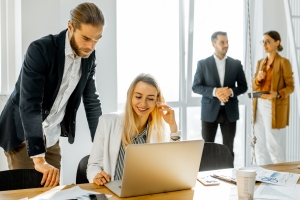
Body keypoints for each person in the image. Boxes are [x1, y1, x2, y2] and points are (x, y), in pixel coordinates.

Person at [0, 2, 104, 187]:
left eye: (97, 40)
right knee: (27, 193)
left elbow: (91, 101)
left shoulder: (89, 57)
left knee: (51, 193)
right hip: (23, 134)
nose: (91, 46)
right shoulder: (40, 50)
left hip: (52, 135)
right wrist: (39, 160)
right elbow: (30, 104)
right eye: (86, 38)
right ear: (70, 26)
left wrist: (101, 149)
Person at [87, 73, 181, 185]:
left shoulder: (159, 130)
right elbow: (93, 166)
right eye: (138, 96)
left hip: (146, 193)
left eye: (150, 98)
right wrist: (96, 176)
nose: (143, 103)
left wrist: (173, 126)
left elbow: (173, 168)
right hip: (113, 192)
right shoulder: (107, 122)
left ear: (157, 101)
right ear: (130, 96)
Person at [192, 31, 248, 157]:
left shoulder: (236, 64)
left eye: (227, 42)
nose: (226, 45)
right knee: (206, 149)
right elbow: (195, 87)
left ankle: (229, 176)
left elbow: (243, 87)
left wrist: (231, 91)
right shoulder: (203, 64)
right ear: (213, 44)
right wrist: (215, 91)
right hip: (209, 111)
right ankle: (205, 176)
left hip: (230, 112)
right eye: (222, 42)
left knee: (229, 149)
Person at [252, 30, 294, 165]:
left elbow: (290, 86)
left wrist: (276, 94)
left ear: (277, 43)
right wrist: (258, 79)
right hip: (258, 104)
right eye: (263, 42)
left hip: (272, 105)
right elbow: (254, 86)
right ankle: (261, 175)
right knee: (258, 144)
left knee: (273, 145)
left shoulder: (283, 62)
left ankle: (282, 176)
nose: (264, 45)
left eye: (268, 41)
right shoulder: (260, 62)